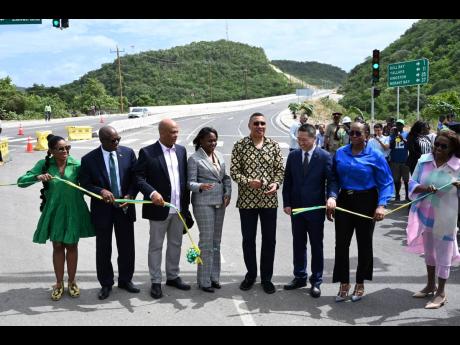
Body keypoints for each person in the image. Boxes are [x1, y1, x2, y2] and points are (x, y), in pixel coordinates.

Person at [17, 135, 95, 301]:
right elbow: (21, 182)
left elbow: (89, 185)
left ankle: (72, 281)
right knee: (58, 246)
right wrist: (36, 177)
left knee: (72, 245)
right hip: (54, 211)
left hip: (74, 210)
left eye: (67, 148)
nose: (65, 151)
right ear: (51, 151)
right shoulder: (44, 165)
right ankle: (59, 283)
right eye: (61, 149)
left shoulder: (77, 164)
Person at [331, 122, 394, 302]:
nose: (354, 136)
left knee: (364, 243)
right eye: (352, 133)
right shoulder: (341, 152)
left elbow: (386, 182)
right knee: (341, 244)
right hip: (344, 201)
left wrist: (381, 205)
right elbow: (334, 178)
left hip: (366, 201)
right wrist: (332, 197)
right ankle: (344, 283)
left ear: (367, 135)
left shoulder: (375, 155)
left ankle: (360, 283)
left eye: (358, 133)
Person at [79, 126, 139, 300]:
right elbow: (84, 184)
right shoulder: (89, 159)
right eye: (113, 141)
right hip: (102, 211)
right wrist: (100, 191)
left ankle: (126, 280)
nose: (117, 143)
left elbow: (136, 179)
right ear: (102, 141)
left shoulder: (128, 153)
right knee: (103, 248)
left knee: (127, 247)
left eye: (118, 139)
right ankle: (106, 283)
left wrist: (130, 195)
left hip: (125, 208)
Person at [134, 119, 192, 299]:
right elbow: (138, 178)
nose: (175, 135)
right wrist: (152, 193)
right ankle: (156, 281)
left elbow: (182, 178)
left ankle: (173, 276)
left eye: (176, 132)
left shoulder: (181, 151)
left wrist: (185, 206)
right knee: (156, 246)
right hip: (158, 208)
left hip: (178, 208)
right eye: (172, 132)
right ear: (162, 133)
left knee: (176, 243)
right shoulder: (148, 152)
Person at [230, 112, 284, 294]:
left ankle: (266, 278)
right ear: (249, 125)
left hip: (269, 201)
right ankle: (251, 275)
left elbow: (279, 171)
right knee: (248, 240)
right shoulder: (240, 145)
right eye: (256, 123)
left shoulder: (274, 146)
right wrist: (247, 182)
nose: (260, 126)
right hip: (247, 202)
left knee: (269, 240)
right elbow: (234, 172)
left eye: (262, 123)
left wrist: (276, 183)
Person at [282, 124, 338, 298]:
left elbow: (333, 181)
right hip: (297, 208)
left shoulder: (324, 156)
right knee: (298, 244)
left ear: (314, 139)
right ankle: (299, 276)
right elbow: (288, 181)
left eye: (304, 140)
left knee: (316, 245)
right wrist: (287, 203)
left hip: (315, 209)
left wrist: (332, 197)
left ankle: (316, 281)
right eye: (299, 139)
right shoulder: (293, 156)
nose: (301, 142)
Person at [406, 130, 460, 309]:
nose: (438, 149)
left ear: (453, 149)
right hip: (425, 215)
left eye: (443, 146)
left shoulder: (458, 167)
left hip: (446, 218)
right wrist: (424, 188)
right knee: (429, 252)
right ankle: (430, 285)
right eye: (436, 144)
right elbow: (411, 183)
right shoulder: (424, 161)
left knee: (444, 254)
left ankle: (441, 293)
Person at [187, 127, 232, 293]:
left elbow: (225, 178)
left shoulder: (219, 155)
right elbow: (189, 183)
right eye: (209, 141)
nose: (213, 143)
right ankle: (203, 280)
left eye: (214, 140)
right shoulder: (194, 159)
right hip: (203, 203)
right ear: (200, 141)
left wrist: (228, 192)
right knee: (206, 241)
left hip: (220, 203)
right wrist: (200, 186)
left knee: (216, 241)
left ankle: (214, 277)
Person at [389, 119, 410, 201]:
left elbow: (409, 145)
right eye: (397, 124)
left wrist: (402, 139)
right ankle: (397, 194)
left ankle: (407, 196)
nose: (399, 126)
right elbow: (390, 147)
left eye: (400, 124)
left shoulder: (407, 134)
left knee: (406, 180)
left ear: (403, 126)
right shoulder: (392, 135)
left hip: (405, 160)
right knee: (396, 180)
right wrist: (395, 138)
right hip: (395, 161)